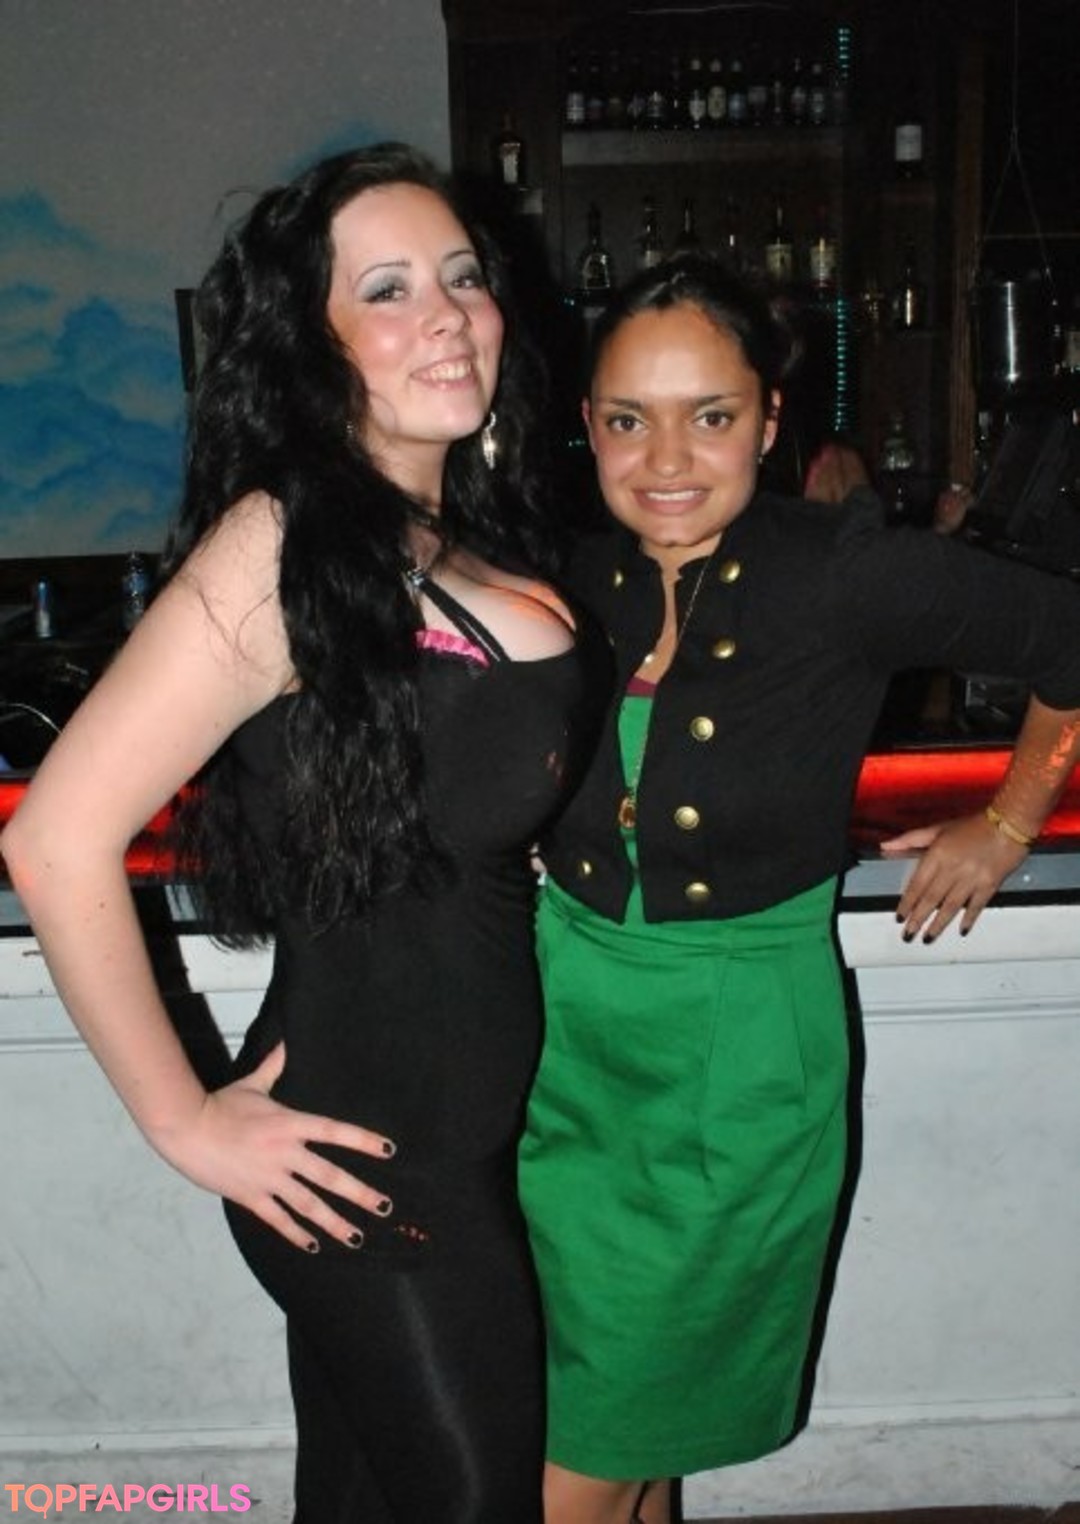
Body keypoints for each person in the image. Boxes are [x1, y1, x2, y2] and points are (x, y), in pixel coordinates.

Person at [0, 142, 598, 1523]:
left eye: (462, 276)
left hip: (446, 1150)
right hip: (366, 1173)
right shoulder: (282, 546)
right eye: (387, 289)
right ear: (310, 343)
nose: (445, 315)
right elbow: (55, 839)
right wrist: (185, 1120)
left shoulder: (455, 535)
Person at [516, 253, 1080, 1524]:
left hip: (737, 1066)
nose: (666, 459)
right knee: (624, 1433)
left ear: (769, 422)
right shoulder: (563, 569)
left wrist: (1006, 822)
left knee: (574, 1467)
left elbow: (1068, 644)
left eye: (709, 416)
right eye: (628, 420)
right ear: (587, 426)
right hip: (565, 1058)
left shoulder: (844, 569)